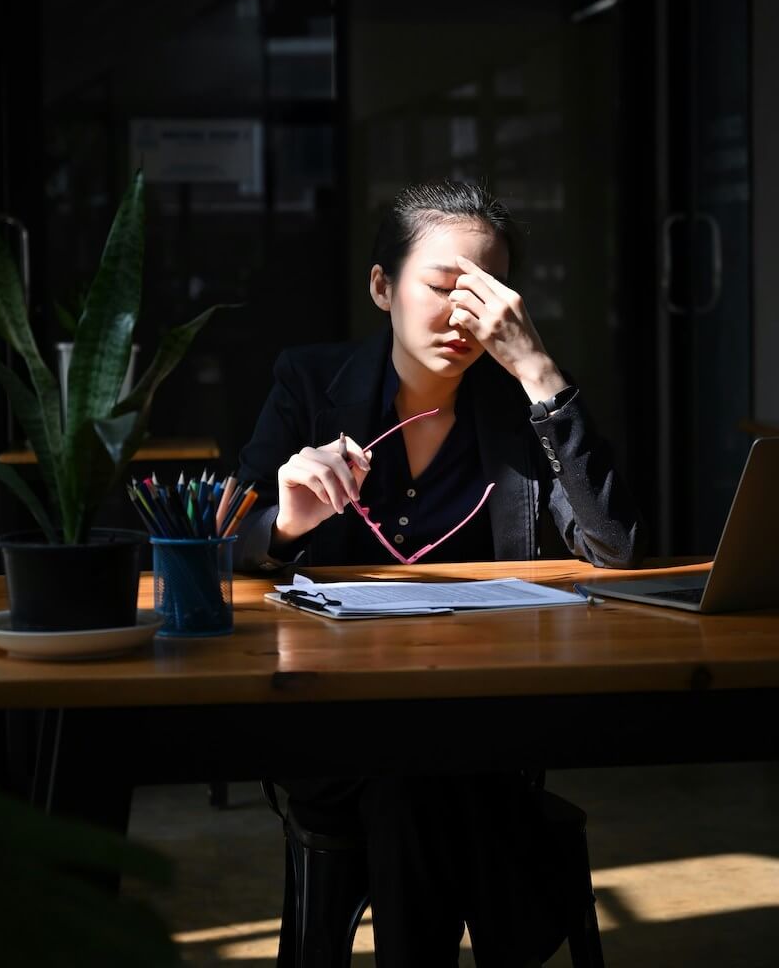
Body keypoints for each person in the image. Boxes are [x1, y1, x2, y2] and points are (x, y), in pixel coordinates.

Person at [236, 181, 645, 966]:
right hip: (335, 723)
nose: (465, 316)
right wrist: (285, 522)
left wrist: (537, 369)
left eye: (486, 297)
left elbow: (614, 548)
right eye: (442, 286)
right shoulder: (307, 385)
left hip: (485, 717)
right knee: (418, 772)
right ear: (382, 286)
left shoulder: (519, 407)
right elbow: (223, 548)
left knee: (425, 772)